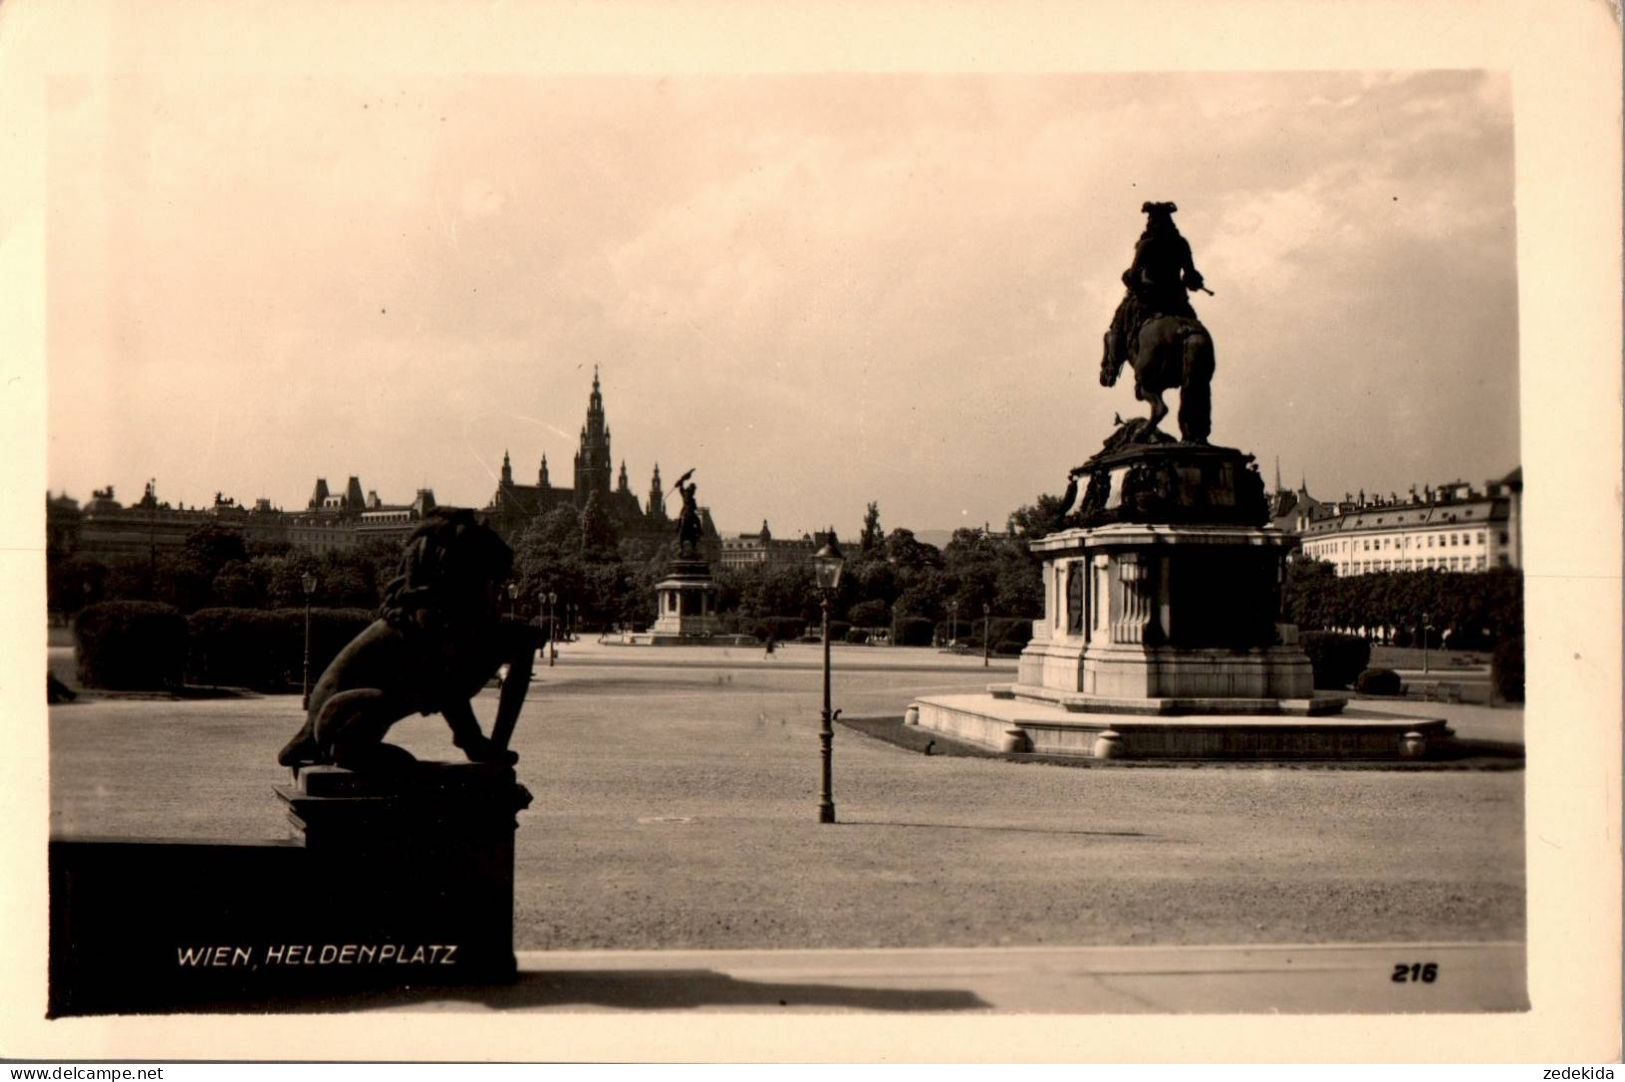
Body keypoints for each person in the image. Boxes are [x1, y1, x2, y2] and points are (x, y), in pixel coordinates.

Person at [1103, 201, 1208, 372]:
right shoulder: (1181, 243)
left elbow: (1134, 274)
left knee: (1119, 320)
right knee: (1192, 322)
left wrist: (1128, 278)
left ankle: (1112, 366)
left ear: (1151, 222)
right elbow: (1190, 275)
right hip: (1176, 298)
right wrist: (1195, 282)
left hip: (1149, 297)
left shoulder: (1146, 244)